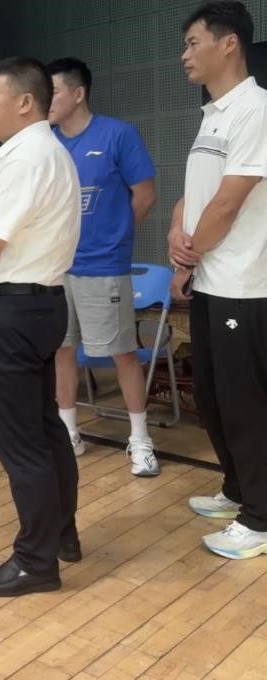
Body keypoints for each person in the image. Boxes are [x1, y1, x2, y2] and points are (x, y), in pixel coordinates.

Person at [0, 57, 81, 596]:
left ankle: (35, 562)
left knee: (22, 442)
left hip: (13, 310)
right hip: (43, 305)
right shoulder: (52, 153)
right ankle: (61, 534)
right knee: (46, 429)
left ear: (25, 102)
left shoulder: (24, 160)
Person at [170, 1, 267, 560]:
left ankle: (260, 517)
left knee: (244, 404)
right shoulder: (213, 114)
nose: (185, 54)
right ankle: (236, 489)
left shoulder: (255, 109)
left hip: (243, 285)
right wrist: (175, 230)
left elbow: (229, 203)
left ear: (228, 43)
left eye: (192, 42)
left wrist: (186, 258)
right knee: (210, 395)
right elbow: (197, 193)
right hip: (210, 278)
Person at [46, 57, 160, 476]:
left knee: (122, 352)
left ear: (78, 94)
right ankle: (68, 433)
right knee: (62, 350)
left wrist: (116, 237)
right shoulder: (46, 143)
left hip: (103, 266)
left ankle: (140, 439)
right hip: (56, 267)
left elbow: (145, 194)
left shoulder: (117, 134)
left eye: (53, 91)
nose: (45, 100)